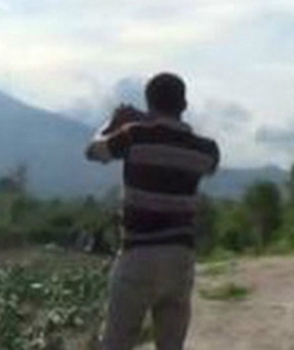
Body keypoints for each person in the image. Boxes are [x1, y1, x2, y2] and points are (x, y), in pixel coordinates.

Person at [85, 73, 219, 350]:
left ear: (148, 103)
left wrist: (113, 123)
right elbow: (208, 163)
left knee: (116, 343)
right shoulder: (206, 149)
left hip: (138, 255)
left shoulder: (134, 136)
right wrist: (150, 121)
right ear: (184, 104)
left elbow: (93, 151)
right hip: (180, 258)